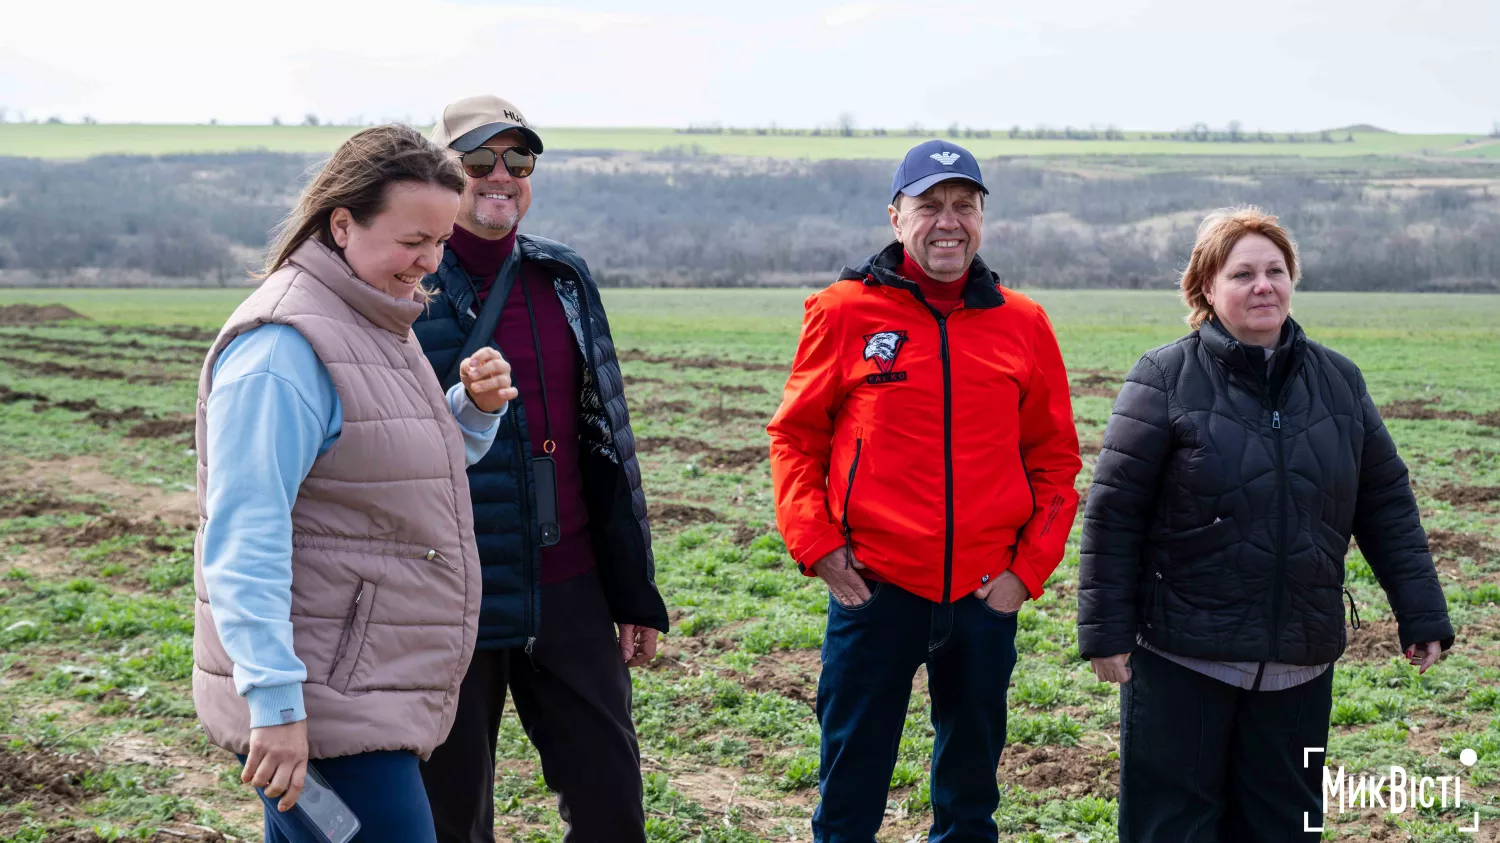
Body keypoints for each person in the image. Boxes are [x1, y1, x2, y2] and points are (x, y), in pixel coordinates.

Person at [1077, 207, 1456, 841]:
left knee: (1284, 826)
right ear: (1206, 288)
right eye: (1243, 273)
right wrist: (1106, 631)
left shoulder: (1338, 381)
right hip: (1182, 657)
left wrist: (1421, 612)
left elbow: (1386, 501)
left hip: (1298, 662)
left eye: (1276, 271)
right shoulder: (1164, 377)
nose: (1263, 286)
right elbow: (1115, 514)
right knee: (1173, 827)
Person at [193, 124, 521, 843]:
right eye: (413, 241)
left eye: (439, 240)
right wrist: (276, 708)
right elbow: (244, 537)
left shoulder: (372, 320)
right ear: (343, 223)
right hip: (324, 709)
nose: (429, 261)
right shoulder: (283, 349)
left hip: (360, 690)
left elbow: (384, 474)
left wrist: (469, 412)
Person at [768, 139, 1082, 842]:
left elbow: (1056, 462)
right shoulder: (844, 311)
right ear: (895, 215)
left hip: (981, 596)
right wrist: (818, 546)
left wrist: (1024, 574)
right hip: (875, 590)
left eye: (963, 206)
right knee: (849, 797)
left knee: (970, 801)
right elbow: (795, 439)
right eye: (929, 206)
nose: (948, 222)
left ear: (981, 219)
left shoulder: (1022, 323)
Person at [411, 94, 669, 843]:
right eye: (479, 160)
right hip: (451, 589)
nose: (501, 175)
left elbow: (606, 439)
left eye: (518, 160)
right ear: (442, 173)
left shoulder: (562, 277)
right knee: (450, 819)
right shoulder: (404, 282)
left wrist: (632, 589)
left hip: (568, 587)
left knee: (612, 805)